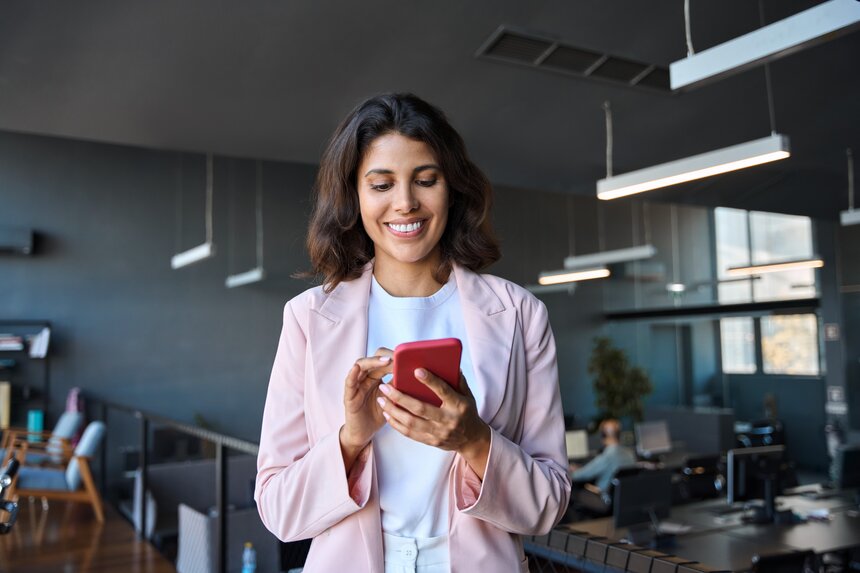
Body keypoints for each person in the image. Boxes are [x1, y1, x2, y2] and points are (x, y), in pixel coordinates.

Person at [254, 93, 570, 572]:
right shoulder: (308, 319)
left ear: (452, 188)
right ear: (353, 195)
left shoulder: (520, 314)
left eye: (425, 180)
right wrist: (350, 438)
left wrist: (474, 440)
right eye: (381, 184)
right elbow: (278, 510)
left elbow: (547, 505)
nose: (405, 203)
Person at [569, 419, 636, 493]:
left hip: (604, 498)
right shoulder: (630, 453)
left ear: (603, 435)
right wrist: (582, 468)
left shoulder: (607, 456)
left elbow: (579, 476)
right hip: (624, 497)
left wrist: (570, 472)